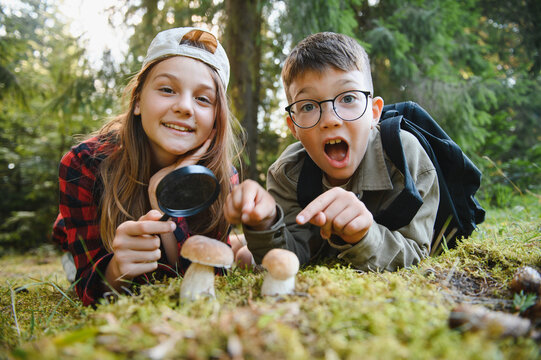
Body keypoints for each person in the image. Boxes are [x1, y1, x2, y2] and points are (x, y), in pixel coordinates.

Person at [52, 27, 248, 306]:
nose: (185, 107)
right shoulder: (84, 163)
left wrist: (164, 191)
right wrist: (118, 267)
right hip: (81, 235)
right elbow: (88, 289)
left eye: (203, 99)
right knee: (73, 259)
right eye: (167, 89)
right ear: (137, 101)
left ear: (216, 120)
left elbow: (207, 271)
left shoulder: (223, 177)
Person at [224, 32, 440, 271]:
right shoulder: (287, 173)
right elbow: (289, 257)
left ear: (374, 112)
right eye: (308, 106)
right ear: (293, 127)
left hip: (370, 249)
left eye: (348, 98)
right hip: (320, 247)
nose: (330, 119)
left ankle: (238, 243)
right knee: (247, 257)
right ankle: (236, 242)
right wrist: (265, 223)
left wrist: (364, 235)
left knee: (245, 255)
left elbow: (417, 255)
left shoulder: (405, 157)